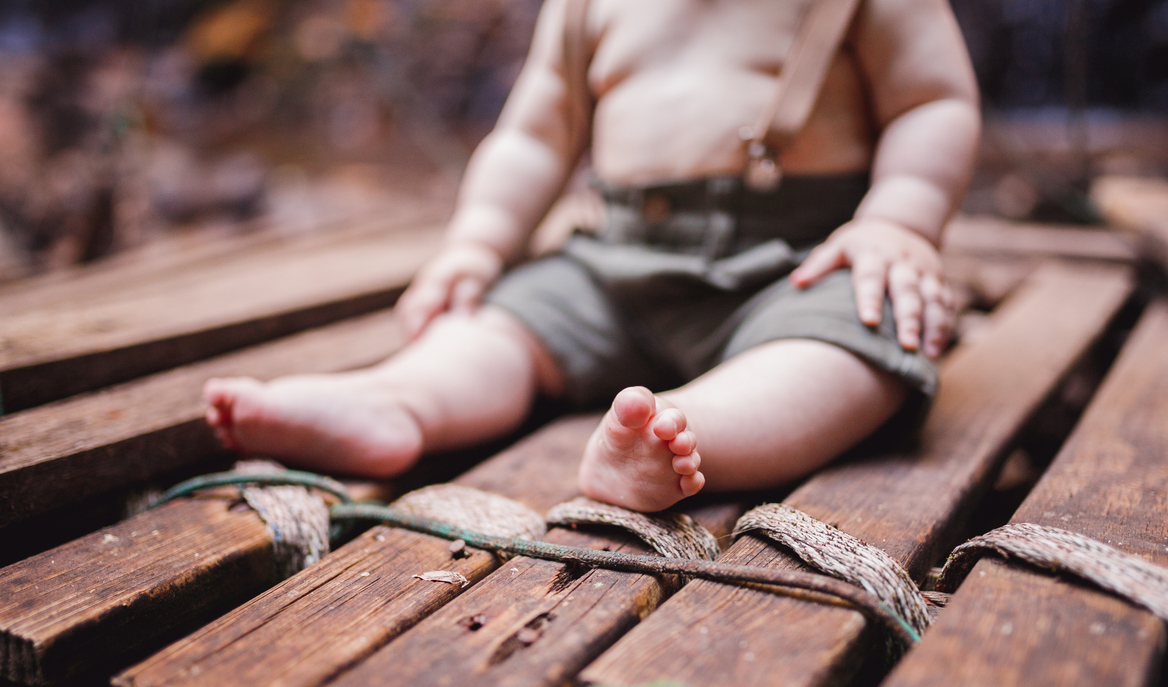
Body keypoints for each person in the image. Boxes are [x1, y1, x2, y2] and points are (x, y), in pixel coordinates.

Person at [204, 0, 980, 513]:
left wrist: (899, 220)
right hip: (616, 263)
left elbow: (932, 101)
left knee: (857, 336)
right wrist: (478, 240)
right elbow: (534, 135)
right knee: (505, 319)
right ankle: (393, 400)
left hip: (797, 266)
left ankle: (686, 432)